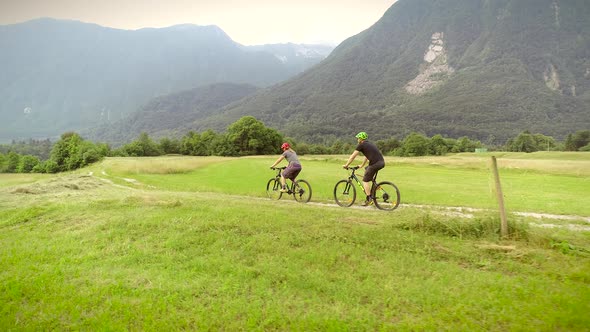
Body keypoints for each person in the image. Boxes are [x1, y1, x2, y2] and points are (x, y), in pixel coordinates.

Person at [342, 131, 385, 206]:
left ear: (361, 139)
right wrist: (361, 165)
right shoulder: (369, 144)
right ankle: (375, 186)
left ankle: (369, 199)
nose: (357, 140)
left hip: (375, 164)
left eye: (358, 138)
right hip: (381, 163)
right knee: (366, 169)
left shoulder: (361, 145)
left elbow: (353, 156)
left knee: (365, 180)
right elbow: (367, 155)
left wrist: (346, 165)